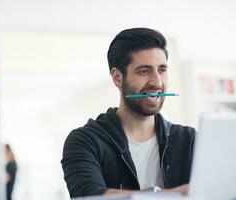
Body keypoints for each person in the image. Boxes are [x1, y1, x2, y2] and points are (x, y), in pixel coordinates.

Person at [61, 28, 196, 198]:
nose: (157, 82)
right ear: (118, 77)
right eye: (144, 71)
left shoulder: (190, 140)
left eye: (162, 70)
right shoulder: (84, 141)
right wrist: (173, 194)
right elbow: (91, 195)